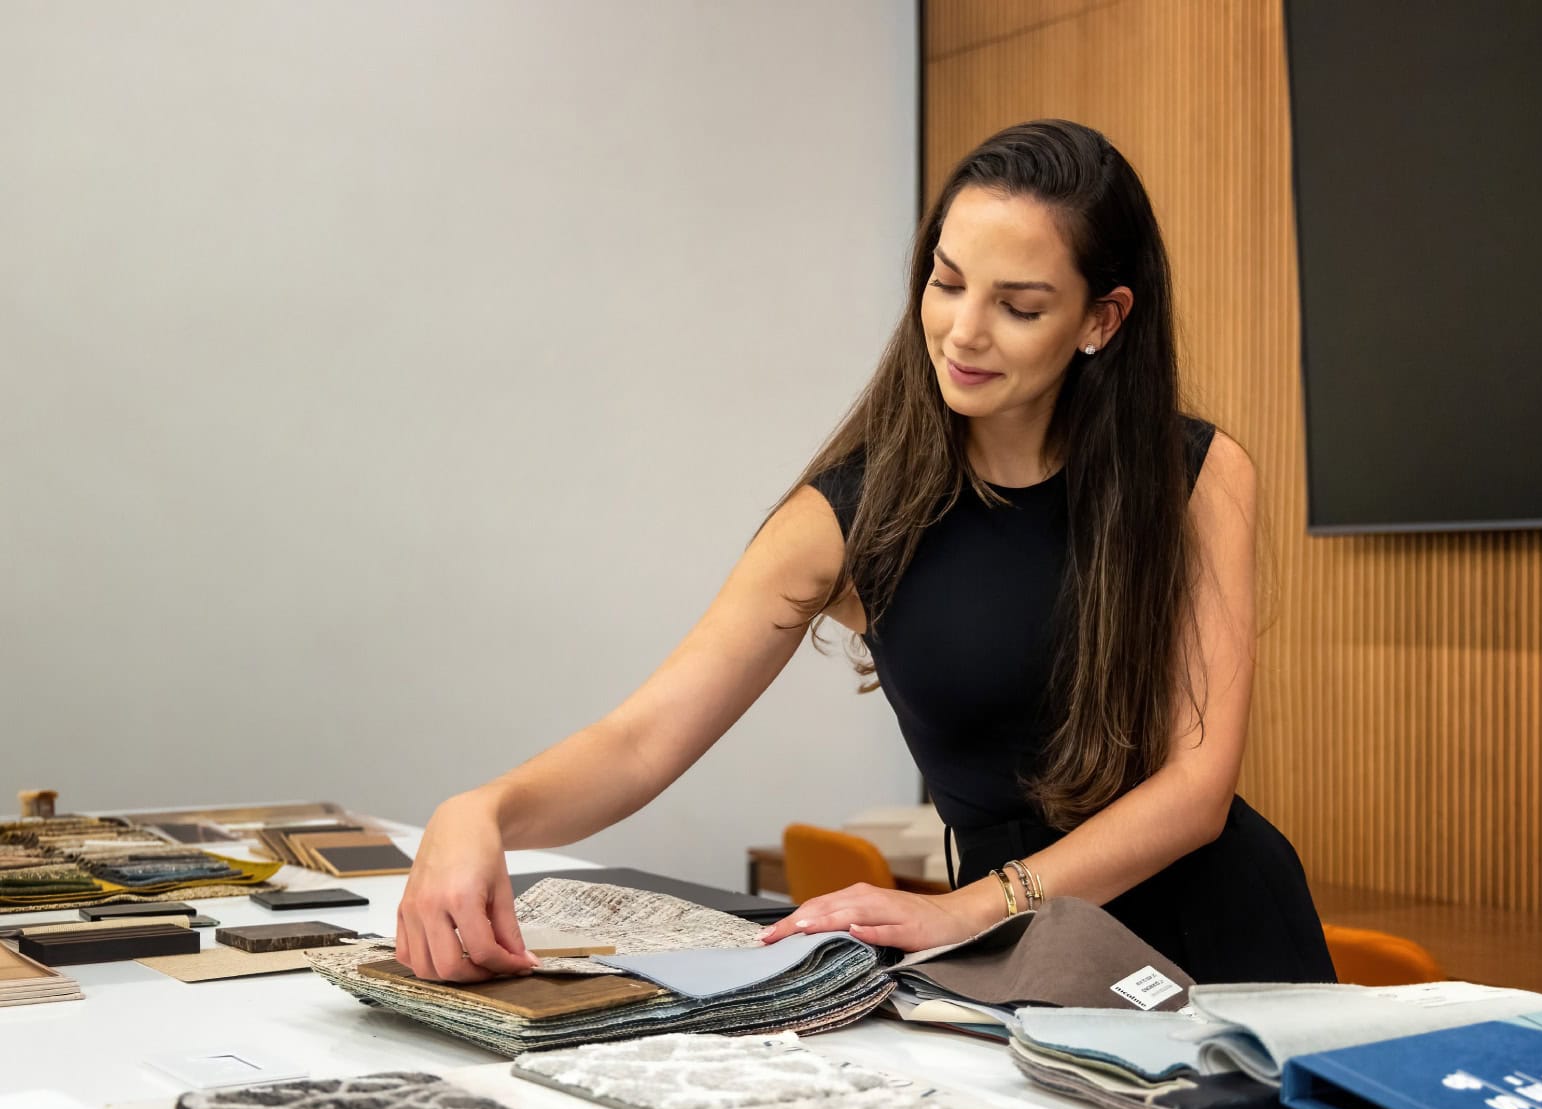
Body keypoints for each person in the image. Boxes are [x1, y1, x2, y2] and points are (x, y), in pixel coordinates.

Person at [395, 119, 1336, 987]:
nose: (963, 331)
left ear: (1102, 320)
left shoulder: (1198, 476)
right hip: (1010, 967)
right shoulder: (850, 517)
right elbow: (642, 741)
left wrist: (965, 908)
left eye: (1020, 305)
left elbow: (1194, 793)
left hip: (1222, 951)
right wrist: (484, 812)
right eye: (947, 280)